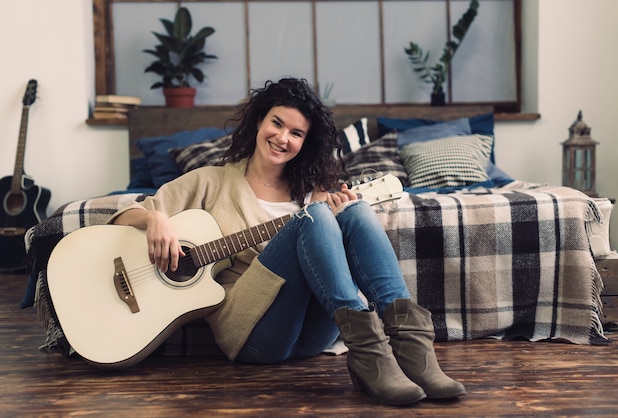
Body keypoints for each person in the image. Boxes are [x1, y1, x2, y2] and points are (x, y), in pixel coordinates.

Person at [109, 78, 465, 406]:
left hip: (313, 336)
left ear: (305, 143)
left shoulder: (314, 193)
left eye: (296, 133)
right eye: (277, 123)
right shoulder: (210, 181)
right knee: (315, 216)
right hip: (253, 335)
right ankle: (377, 357)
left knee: (353, 212)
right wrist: (155, 217)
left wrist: (336, 214)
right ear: (259, 122)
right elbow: (121, 217)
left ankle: (409, 350)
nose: (283, 138)